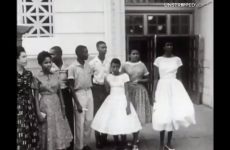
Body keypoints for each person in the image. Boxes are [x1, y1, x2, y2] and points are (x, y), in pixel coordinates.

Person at [152, 42, 196, 150]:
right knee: (163, 112)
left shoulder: (177, 59)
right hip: (162, 87)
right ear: (163, 47)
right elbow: (155, 78)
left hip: (174, 87)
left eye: (171, 45)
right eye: (167, 45)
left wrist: (183, 92)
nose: (169, 47)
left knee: (172, 113)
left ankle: (168, 143)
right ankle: (161, 143)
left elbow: (180, 78)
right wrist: (153, 92)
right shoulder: (158, 60)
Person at [91, 58, 142, 150]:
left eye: (117, 67)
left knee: (123, 120)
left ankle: (123, 142)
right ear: (111, 67)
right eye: (113, 66)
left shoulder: (124, 76)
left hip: (122, 99)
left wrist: (128, 105)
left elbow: (127, 91)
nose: (115, 68)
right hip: (112, 100)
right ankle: (117, 142)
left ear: (119, 67)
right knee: (113, 121)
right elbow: (107, 89)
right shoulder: (108, 77)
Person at [34, 51, 73, 150]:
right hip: (45, 105)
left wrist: (63, 107)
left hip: (56, 106)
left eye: (50, 62)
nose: (49, 64)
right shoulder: (36, 77)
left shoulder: (55, 75)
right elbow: (35, 96)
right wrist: (38, 112)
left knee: (59, 129)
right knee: (48, 130)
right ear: (40, 64)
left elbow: (59, 92)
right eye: (45, 63)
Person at [121, 49, 152, 149]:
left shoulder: (142, 65)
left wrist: (140, 80)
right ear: (129, 55)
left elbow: (148, 78)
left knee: (137, 115)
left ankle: (135, 140)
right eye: (133, 54)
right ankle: (124, 141)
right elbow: (120, 77)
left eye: (137, 54)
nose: (135, 55)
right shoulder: (125, 65)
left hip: (139, 92)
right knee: (126, 115)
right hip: (128, 91)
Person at [68, 45, 94, 150]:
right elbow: (70, 86)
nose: (87, 54)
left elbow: (90, 79)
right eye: (85, 52)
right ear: (78, 54)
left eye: (87, 52)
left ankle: (85, 144)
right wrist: (77, 103)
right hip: (79, 94)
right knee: (80, 122)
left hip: (89, 93)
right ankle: (79, 146)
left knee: (89, 120)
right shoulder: (72, 67)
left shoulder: (88, 66)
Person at [49, 46, 74, 150]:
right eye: (50, 54)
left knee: (69, 117)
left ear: (60, 54)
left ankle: (71, 143)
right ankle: (60, 144)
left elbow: (71, 81)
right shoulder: (50, 67)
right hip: (55, 94)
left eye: (53, 54)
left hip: (66, 94)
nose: (51, 56)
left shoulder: (67, 66)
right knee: (58, 119)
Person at [17, 46, 40, 150]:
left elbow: (31, 92)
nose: (26, 59)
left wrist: (35, 109)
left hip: (29, 107)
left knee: (31, 132)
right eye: (23, 56)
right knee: (20, 133)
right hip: (18, 109)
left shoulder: (28, 74)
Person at [89, 41, 110, 148]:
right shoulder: (93, 62)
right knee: (97, 114)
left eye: (105, 47)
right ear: (97, 48)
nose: (105, 49)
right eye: (102, 47)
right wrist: (94, 87)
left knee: (106, 114)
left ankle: (104, 137)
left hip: (107, 90)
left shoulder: (109, 61)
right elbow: (89, 77)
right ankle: (98, 139)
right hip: (97, 89)